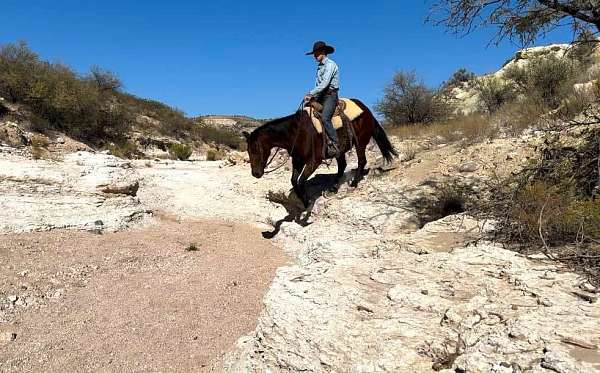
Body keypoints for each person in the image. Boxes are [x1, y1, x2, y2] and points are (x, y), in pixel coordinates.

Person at [303, 41, 340, 157]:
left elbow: (324, 84)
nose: (314, 56)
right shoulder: (320, 67)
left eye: (316, 53)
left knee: (325, 118)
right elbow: (318, 85)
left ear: (323, 52)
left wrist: (310, 93)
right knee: (305, 112)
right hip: (321, 95)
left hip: (330, 95)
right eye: (314, 53)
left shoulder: (330, 65)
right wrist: (312, 97)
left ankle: (335, 143)